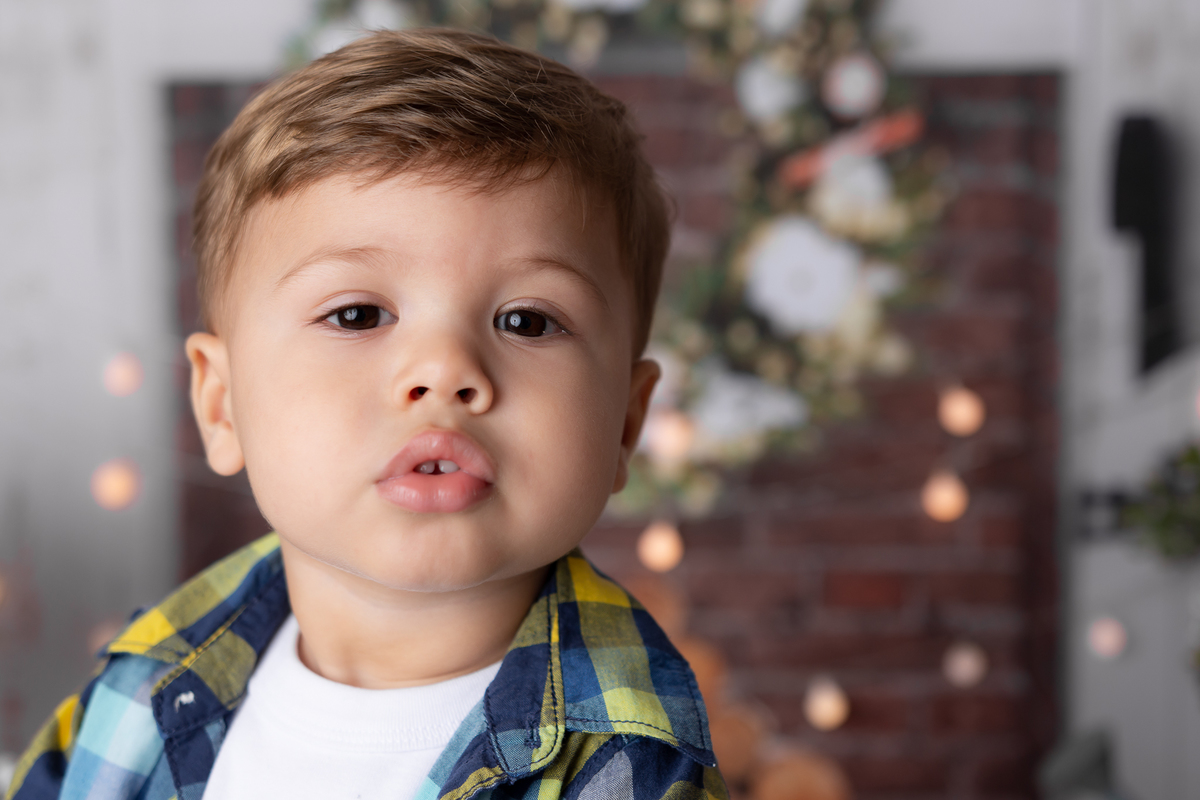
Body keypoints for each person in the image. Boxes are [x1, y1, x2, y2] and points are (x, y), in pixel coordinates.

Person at [5, 27, 726, 800]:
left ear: (624, 420)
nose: (446, 372)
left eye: (527, 321)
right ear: (222, 405)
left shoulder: (634, 767)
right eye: (356, 315)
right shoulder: (143, 685)